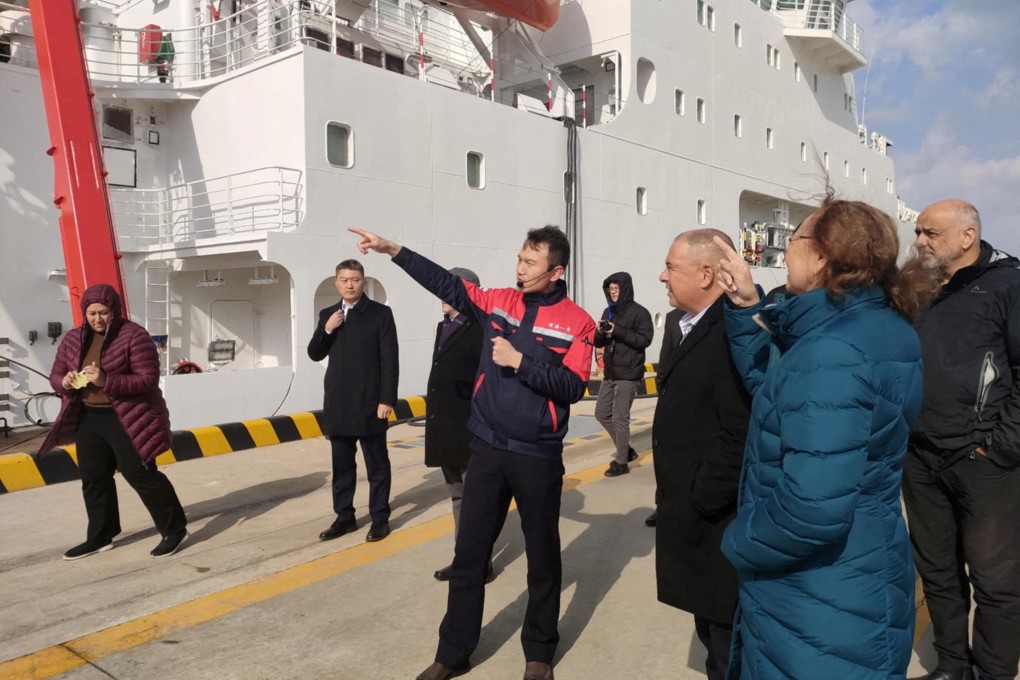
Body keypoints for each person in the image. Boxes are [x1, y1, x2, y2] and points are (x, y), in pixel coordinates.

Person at [350, 225, 595, 680]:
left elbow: (574, 387)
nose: (519, 269)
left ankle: (539, 652)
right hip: (484, 448)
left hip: (536, 454)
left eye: (530, 262)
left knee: (543, 557)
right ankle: (453, 652)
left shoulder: (578, 321)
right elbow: (445, 283)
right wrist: (393, 250)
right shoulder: (497, 300)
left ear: (555, 271)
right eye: (519, 259)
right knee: (469, 555)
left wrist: (521, 362)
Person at [713, 196, 938, 679]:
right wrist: (748, 308)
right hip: (863, 570)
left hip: (817, 597)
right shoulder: (882, 329)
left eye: (794, 239)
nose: (786, 250)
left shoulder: (831, 351)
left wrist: (738, 541)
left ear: (821, 258)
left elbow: (811, 509)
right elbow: (786, 396)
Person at [902, 199, 1020, 680]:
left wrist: (999, 447)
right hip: (921, 457)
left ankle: (993, 673)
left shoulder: (1009, 284)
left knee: (996, 581)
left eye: (930, 233)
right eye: (919, 232)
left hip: (983, 461)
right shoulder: (920, 287)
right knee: (938, 573)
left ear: (967, 236)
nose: (920, 241)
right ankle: (953, 665)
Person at [653, 230, 751, 680]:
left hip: (716, 521)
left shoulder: (733, 331)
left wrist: (700, 495)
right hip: (695, 517)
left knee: (727, 643)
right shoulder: (686, 325)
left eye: (671, 267)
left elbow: (739, 429)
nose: (662, 276)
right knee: (713, 637)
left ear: (708, 273)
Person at [39, 284, 188, 560]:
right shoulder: (73, 338)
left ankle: (175, 530)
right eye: (92, 312)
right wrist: (64, 381)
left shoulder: (134, 336)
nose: (97, 318)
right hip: (88, 417)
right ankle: (100, 536)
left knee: (140, 474)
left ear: (114, 311)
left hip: (128, 416)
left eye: (103, 312)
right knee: (94, 478)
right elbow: (56, 374)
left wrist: (105, 380)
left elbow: (147, 379)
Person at [307, 259, 398, 543]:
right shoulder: (328, 314)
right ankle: (344, 517)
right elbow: (314, 353)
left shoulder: (380, 314)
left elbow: (390, 360)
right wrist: (328, 329)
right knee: (342, 468)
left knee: (377, 466)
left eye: (355, 279)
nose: (350, 284)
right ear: (336, 282)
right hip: (338, 403)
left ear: (363, 282)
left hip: (371, 403)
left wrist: (387, 399)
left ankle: (380, 519)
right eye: (344, 279)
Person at [426, 267, 493, 585]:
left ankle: (479, 563)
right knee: (458, 496)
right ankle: (464, 559)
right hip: (446, 428)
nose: (442, 295)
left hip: (471, 428)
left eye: (450, 289)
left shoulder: (482, 329)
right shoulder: (445, 326)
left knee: (475, 499)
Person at [593, 272, 653, 477]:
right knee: (601, 413)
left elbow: (644, 340)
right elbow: (599, 343)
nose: (613, 292)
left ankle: (621, 462)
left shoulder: (640, 313)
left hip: (629, 373)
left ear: (625, 289)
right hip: (610, 372)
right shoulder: (607, 311)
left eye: (617, 289)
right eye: (611, 290)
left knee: (620, 417)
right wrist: (600, 332)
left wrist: (616, 330)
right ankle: (625, 449)